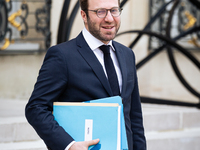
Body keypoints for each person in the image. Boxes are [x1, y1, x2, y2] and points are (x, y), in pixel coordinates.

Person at [25, 0, 146, 149]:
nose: (109, 18)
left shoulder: (127, 54)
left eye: (114, 10)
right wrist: (69, 145)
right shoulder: (62, 55)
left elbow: (134, 115)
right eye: (100, 11)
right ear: (84, 15)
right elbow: (36, 108)